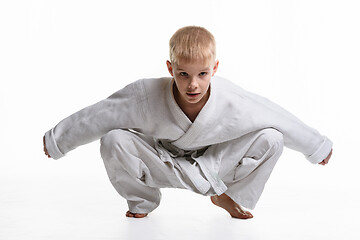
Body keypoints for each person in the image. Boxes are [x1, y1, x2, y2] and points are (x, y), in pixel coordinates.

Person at [43, 26, 333, 219]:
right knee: (113, 138)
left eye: (203, 74)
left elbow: (276, 116)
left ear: (214, 69)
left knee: (272, 137)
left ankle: (226, 196)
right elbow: (101, 114)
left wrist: (315, 146)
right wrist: (59, 139)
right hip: (161, 161)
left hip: (215, 164)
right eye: (183, 74)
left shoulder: (232, 99)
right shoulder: (146, 94)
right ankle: (143, 200)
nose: (193, 85)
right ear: (170, 68)